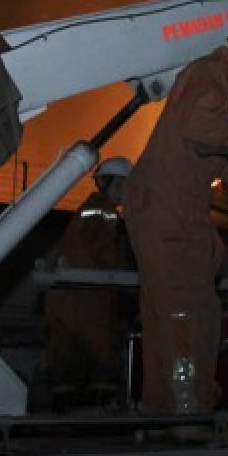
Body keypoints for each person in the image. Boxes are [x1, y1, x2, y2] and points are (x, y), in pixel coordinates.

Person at [122, 10, 228, 425]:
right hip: (170, 213)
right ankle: (188, 412)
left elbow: (214, 160)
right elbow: (200, 128)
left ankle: (162, 408)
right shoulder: (210, 76)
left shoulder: (215, 89)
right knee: (191, 313)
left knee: (167, 313)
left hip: (164, 209)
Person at [43, 156, 136, 410]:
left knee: (69, 356)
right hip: (88, 297)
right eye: (121, 186)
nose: (124, 192)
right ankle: (97, 417)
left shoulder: (90, 209)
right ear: (106, 184)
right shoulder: (103, 211)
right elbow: (105, 254)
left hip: (72, 294)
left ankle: (68, 414)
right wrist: (127, 278)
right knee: (100, 352)